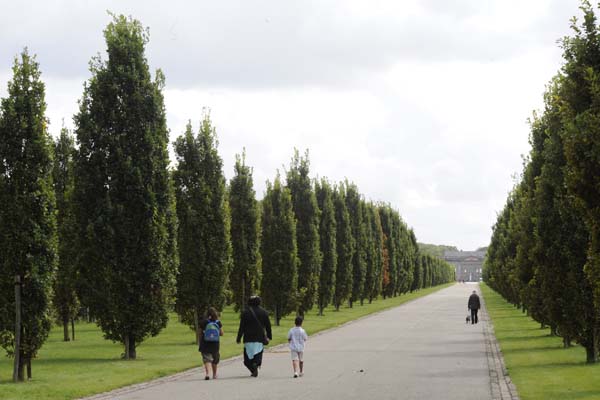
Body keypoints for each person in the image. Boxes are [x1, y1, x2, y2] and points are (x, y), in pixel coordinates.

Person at [236, 295, 272, 377]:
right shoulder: (264, 312)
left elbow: (242, 326)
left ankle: (252, 368)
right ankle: (256, 363)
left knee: (247, 357)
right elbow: (268, 326)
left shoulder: (245, 313)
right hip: (259, 337)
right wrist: (269, 336)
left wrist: (239, 338)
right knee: (258, 352)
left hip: (248, 337)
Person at [199, 307, 223, 380]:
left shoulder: (203, 322)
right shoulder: (218, 322)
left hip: (205, 343)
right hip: (215, 344)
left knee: (207, 359)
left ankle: (207, 374)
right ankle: (215, 375)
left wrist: (200, 341)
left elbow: (200, 333)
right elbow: (221, 333)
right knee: (215, 360)